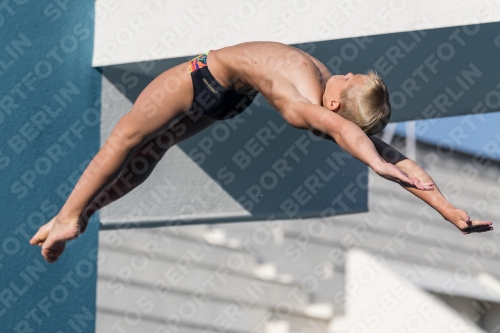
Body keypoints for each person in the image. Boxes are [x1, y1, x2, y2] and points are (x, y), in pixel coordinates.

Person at [30, 41, 493, 263]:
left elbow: (351, 137)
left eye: (349, 79)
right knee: (158, 148)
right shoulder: (319, 100)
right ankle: (86, 212)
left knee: (125, 138)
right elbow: (395, 157)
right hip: (232, 100)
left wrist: (371, 162)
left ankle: (70, 213)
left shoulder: (303, 100)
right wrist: (448, 210)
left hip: (203, 77)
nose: (347, 71)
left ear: (335, 102)